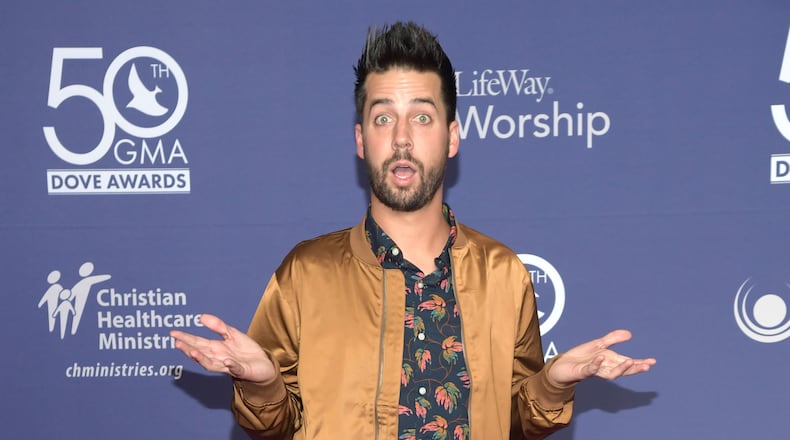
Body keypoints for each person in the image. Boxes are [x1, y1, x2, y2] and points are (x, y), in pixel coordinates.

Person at [170, 21, 655, 440]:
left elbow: (514, 420)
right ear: (361, 140)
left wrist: (552, 383)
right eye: (383, 118)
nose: (402, 138)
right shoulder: (306, 273)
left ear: (452, 136)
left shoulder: (503, 274)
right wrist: (262, 385)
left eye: (422, 117)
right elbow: (275, 424)